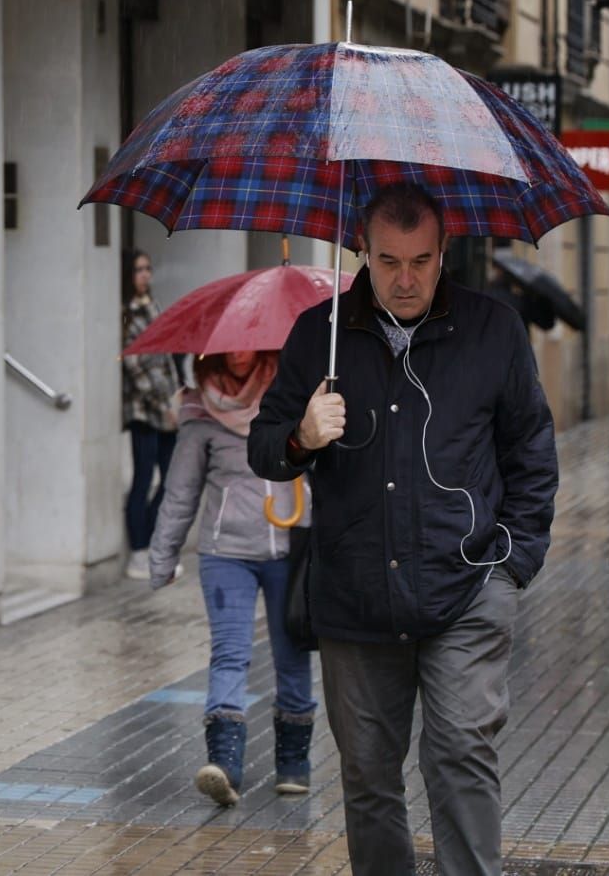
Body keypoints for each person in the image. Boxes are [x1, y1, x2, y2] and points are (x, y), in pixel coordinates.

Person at [248, 182, 557, 875]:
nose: (406, 278)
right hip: (354, 599)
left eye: (421, 260)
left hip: (467, 589)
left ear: (444, 251)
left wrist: (509, 569)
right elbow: (262, 448)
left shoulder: (492, 329)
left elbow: (531, 455)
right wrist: (300, 436)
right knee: (365, 777)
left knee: (459, 755)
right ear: (361, 251)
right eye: (388, 262)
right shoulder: (318, 335)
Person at [149, 349, 316, 806]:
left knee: (292, 652)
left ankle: (294, 765)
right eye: (228, 349)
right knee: (229, 655)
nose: (239, 355)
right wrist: (162, 557)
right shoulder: (200, 408)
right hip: (226, 555)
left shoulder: (293, 394)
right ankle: (225, 765)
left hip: (291, 547)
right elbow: (180, 491)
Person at [122, 249, 181, 580]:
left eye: (148, 268)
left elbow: (165, 359)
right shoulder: (128, 313)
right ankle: (139, 551)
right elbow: (135, 367)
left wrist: (174, 398)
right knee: (144, 478)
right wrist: (163, 405)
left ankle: (156, 546)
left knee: (171, 477)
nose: (145, 275)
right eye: (138, 269)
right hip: (144, 411)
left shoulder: (152, 307)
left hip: (165, 407)